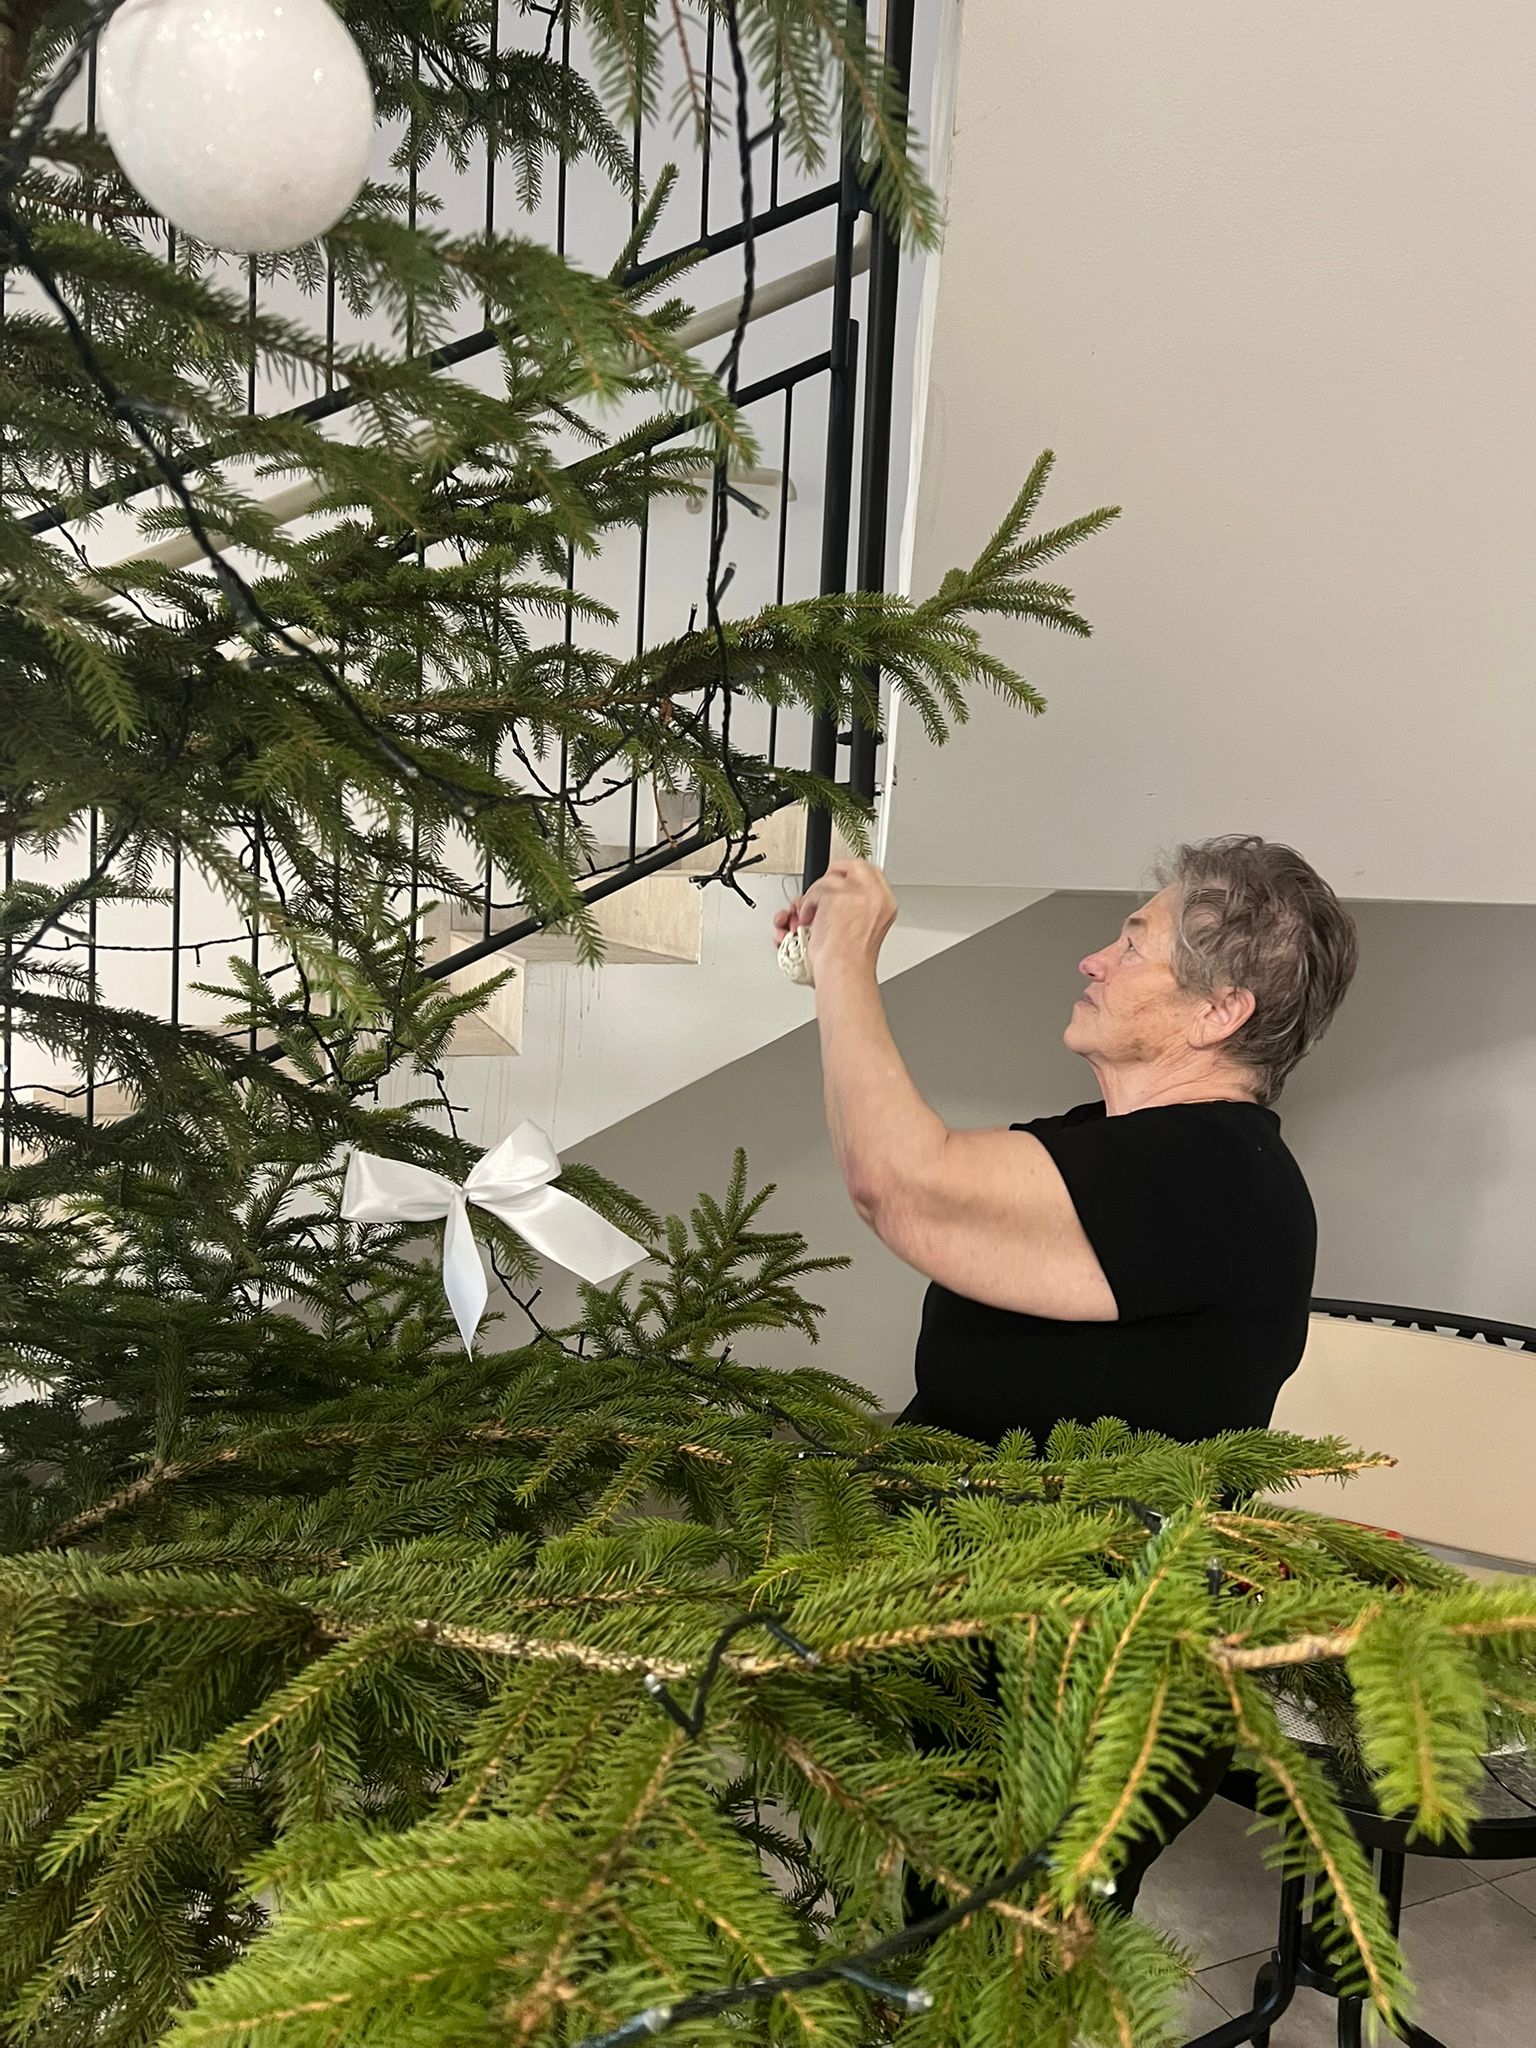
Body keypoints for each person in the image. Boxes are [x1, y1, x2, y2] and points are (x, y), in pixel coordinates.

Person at [775, 832, 1359, 1905]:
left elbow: (901, 1182)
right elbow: (927, 1187)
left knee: (991, 1964)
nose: (1094, 958)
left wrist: (845, 962)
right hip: (978, 1634)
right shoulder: (1114, 1143)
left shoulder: (1218, 1177)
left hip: (1062, 1688)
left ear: (1218, 1010)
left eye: (1131, 943)